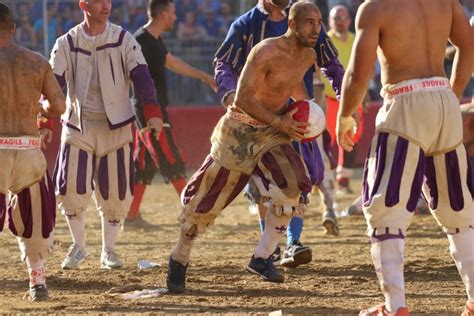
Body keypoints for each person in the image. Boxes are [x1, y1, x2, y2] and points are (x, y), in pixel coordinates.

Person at [167, 2, 323, 292]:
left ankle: (262, 258)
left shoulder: (309, 55)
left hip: (273, 131)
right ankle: (179, 258)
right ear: (292, 24)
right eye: (309, 23)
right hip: (239, 128)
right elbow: (242, 100)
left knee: (293, 188)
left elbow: (295, 91)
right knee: (204, 204)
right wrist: (280, 122)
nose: (316, 29)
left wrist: (308, 116)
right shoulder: (265, 51)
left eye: (318, 22)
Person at [336, 0, 474, 314]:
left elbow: (358, 73)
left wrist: (345, 116)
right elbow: (469, 45)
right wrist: (453, 93)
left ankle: (395, 306)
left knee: (386, 205)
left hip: (404, 100)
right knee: (459, 207)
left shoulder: (376, 7)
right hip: (443, 100)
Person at [213, 0, 345, 268]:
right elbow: (223, 63)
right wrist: (228, 93)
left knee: (298, 179)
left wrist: (347, 97)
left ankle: (293, 242)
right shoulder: (244, 25)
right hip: (253, 118)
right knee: (262, 187)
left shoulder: (306, 19)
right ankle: (270, 248)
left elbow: (331, 64)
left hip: (295, 117)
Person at [49, 0, 163, 270]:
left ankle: (109, 250)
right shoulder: (66, 42)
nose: (105, 6)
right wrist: (44, 117)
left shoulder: (123, 39)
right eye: (98, 1)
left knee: (115, 189)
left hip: (117, 125)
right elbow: (54, 85)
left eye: (108, 0)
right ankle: (78, 246)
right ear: (83, 4)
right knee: (71, 188)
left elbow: (142, 77)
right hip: (79, 123)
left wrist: (153, 111)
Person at [123, 0, 216, 230]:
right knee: (169, 157)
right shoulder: (141, 41)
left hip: (150, 108)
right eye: (173, 13)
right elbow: (128, 76)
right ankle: (192, 211)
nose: (175, 18)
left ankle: (131, 216)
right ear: (163, 14)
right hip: (148, 109)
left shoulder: (152, 40)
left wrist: (204, 77)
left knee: (144, 165)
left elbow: (172, 63)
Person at [0, 2, 65, 300]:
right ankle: (37, 283)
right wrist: (40, 107)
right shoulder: (36, 61)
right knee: (35, 220)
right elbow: (60, 106)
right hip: (28, 148)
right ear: (13, 29)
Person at [322, 5, 366, 196]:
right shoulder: (324, 40)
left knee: (351, 137)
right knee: (324, 140)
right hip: (328, 98)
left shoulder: (358, 39)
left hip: (354, 98)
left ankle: (343, 181)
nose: (340, 21)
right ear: (330, 21)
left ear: (349, 20)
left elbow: (366, 67)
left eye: (343, 17)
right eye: (336, 18)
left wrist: (366, 93)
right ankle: (322, 180)